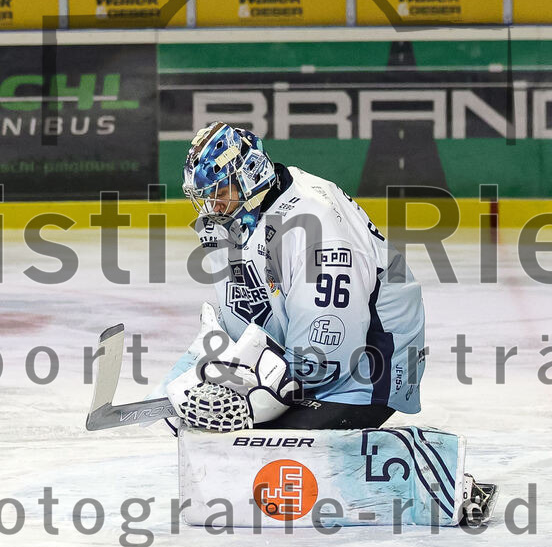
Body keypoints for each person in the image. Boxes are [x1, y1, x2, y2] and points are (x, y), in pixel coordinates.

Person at [162, 121, 427, 432]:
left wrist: (256, 395)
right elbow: (246, 312)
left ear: (251, 175)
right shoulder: (233, 217)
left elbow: (329, 347)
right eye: (205, 196)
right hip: (310, 356)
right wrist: (215, 371)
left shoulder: (315, 224)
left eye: (220, 192)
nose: (213, 206)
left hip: (372, 364)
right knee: (216, 427)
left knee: (263, 442)